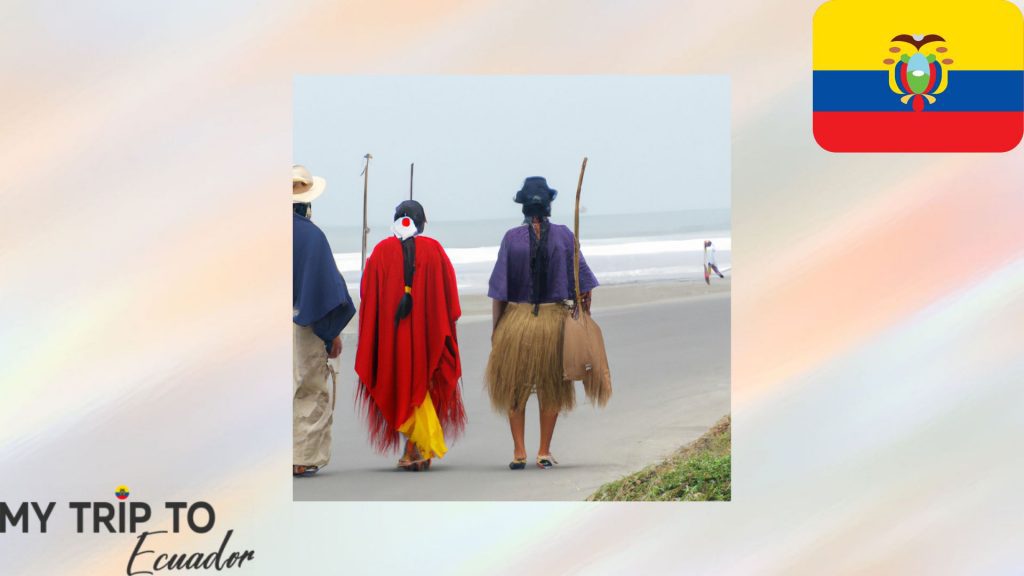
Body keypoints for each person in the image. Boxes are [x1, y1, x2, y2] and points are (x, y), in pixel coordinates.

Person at [486, 176, 599, 470]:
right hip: (554, 323)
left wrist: (496, 330)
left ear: (523, 206)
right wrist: (582, 309)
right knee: (551, 388)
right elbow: (583, 286)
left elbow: (499, 291)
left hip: (517, 323)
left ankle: (519, 452)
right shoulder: (565, 236)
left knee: (515, 387)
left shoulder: (511, 238)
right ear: (549, 205)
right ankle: (544, 451)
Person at [355, 200, 466, 471]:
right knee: (423, 383)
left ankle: (414, 446)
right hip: (429, 335)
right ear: (422, 224)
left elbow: (367, 298)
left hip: (394, 338)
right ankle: (417, 447)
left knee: (400, 383)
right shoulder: (434, 251)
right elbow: (451, 303)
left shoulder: (380, 252)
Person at [293, 165, 356, 477]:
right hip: (301, 325)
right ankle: (301, 456)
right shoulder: (312, 236)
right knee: (309, 389)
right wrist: (331, 333)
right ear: (307, 204)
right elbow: (327, 290)